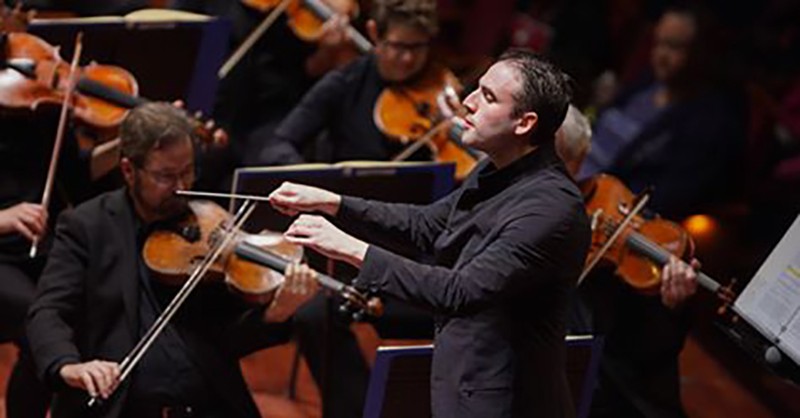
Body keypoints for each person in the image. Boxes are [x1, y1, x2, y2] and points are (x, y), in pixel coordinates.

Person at [270, 49, 590, 418]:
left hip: (504, 402)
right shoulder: (496, 169)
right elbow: (428, 226)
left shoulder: (551, 210)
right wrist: (334, 202)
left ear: (524, 123)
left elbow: (459, 291)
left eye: (487, 97)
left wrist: (351, 248)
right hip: (466, 384)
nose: (467, 102)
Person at [25, 102, 317, 418]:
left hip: (207, 407)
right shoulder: (87, 226)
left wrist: (275, 315)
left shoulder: (209, 226)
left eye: (187, 171)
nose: (182, 187)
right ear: (128, 170)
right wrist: (69, 367)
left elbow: (229, 339)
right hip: (120, 409)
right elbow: (48, 311)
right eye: (166, 176)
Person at [556, 104, 700, 418]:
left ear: (579, 161)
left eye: (559, 164)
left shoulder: (624, 224)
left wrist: (673, 305)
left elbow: (648, 353)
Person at [576, 5, 746, 219]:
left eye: (674, 47)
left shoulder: (709, 124)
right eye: (658, 43)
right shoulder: (648, 83)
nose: (660, 55)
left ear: (702, 52)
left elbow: (663, 199)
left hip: (598, 211)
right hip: (568, 177)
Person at [258, 0, 441, 165]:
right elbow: (277, 146)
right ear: (374, 33)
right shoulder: (345, 82)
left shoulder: (440, 87)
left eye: (418, 47)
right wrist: (313, 180)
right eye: (399, 46)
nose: (408, 58)